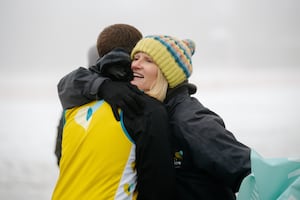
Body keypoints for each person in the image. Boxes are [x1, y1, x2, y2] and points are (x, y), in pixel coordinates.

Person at [57, 34, 251, 199]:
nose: (135, 65)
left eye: (148, 61)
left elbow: (248, 170)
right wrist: (103, 86)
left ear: (166, 75)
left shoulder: (190, 119)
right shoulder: (145, 108)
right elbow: (70, 82)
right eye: (136, 58)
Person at [52, 25, 175, 200]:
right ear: (133, 57)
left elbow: (61, 156)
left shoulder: (72, 107)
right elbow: (157, 188)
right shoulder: (145, 108)